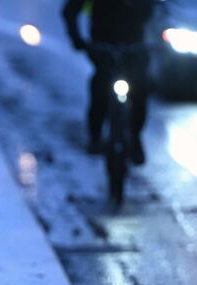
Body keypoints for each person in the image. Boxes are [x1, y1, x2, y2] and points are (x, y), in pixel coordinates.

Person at [62, 0, 154, 164]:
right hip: (103, 49)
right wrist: (77, 40)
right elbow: (70, 11)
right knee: (100, 90)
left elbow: (157, 10)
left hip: (134, 50)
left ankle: (135, 137)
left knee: (140, 91)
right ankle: (95, 137)